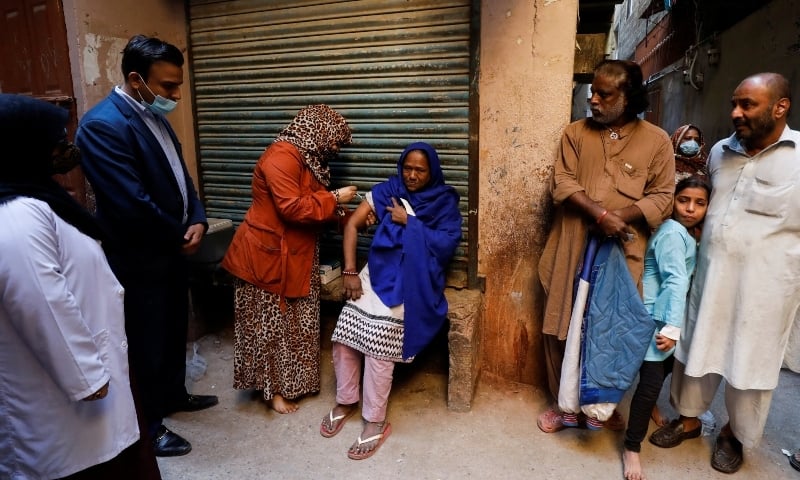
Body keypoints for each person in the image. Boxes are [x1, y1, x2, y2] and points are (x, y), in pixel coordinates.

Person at [0, 94, 161, 479]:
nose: (68, 148)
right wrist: (88, 378)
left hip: (94, 376)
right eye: (57, 140)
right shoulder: (16, 213)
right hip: (67, 397)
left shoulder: (41, 197)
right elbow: (41, 301)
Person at [649, 72, 799, 474]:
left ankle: (735, 434)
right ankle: (690, 419)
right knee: (696, 348)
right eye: (734, 103)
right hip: (711, 278)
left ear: (780, 107)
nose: (735, 113)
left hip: (768, 289)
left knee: (752, 366)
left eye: (747, 105)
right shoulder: (718, 151)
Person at [75, 35, 218, 458]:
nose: (176, 95)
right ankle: (147, 425)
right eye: (169, 86)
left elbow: (180, 175)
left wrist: (197, 217)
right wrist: (178, 236)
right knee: (142, 341)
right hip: (138, 257)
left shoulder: (153, 114)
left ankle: (173, 394)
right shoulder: (102, 125)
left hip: (172, 250)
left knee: (173, 329)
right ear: (136, 79)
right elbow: (130, 202)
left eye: (178, 85)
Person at [537, 59, 675, 433]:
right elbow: (563, 184)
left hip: (622, 251)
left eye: (604, 94)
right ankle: (560, 404)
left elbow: (663, 196)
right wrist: (600, 215)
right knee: (561, 323)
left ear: (628, 97)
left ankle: (601, 406)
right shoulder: (575, 134)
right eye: (592, 92)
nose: (593, 99)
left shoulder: (657, 141)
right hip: (571, 245)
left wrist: (622, 216)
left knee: (610, 329)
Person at [319, 142, 462, 460]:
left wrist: (409, 223)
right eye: (407, 168)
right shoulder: (388, 191)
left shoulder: (444, 202)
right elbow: (353, 225)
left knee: (380, 346)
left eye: (419, 170)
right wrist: (351, 271)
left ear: (432, 172)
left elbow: (447, 244)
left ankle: (375, 420)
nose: (411, 175)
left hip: (415, 280)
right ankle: (346, 400)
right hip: (377, 273)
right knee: (344, 335)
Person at [221, 104, 357, 414]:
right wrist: (335, 198)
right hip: (265, 258)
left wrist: (349, 218)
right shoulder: (282, 156)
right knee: (271, 326)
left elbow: (312, 204)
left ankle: (294, 382)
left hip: (296, 254)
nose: (335, 149)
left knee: (296, 323)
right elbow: (293, 208)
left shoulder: (308, 159)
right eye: (334, 141)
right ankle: (273, 392)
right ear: (317, 131)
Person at [622, 176, 711, 480]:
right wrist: (671, 328)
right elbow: (675, 280)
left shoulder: (684, 233)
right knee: (649, 386)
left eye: (699, 203)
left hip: (665, 315)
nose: (690, 208)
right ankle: (631, 448)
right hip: (656, 319)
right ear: (672, 201)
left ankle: (648, 411)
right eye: (683, 200)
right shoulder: (674, 233)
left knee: (666, 369)